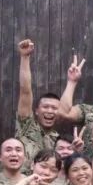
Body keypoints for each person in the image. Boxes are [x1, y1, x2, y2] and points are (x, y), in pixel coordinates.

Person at [17, 39, 62, 169]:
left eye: (54, 108)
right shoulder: (26, 126)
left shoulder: (59, 140)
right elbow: (25, 91)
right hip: (24, 179)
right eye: (46, 107)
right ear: (36, 110)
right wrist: (25, 57)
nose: (50, 111)